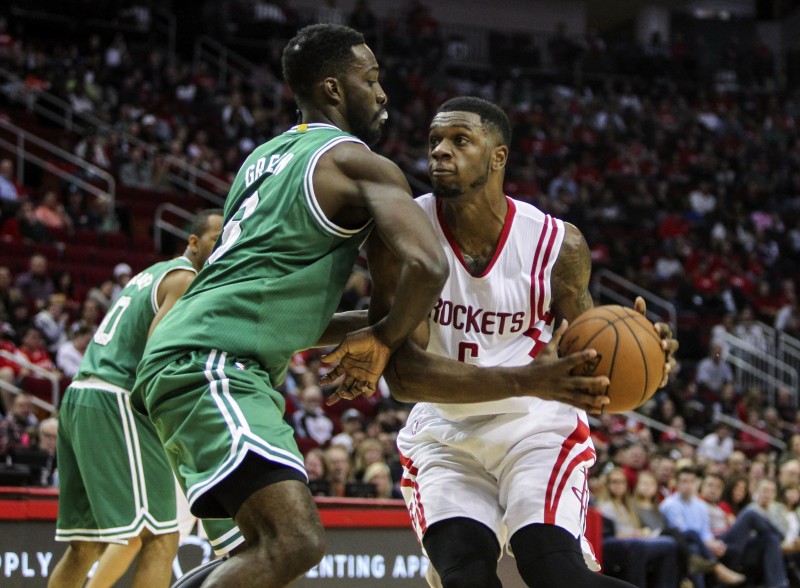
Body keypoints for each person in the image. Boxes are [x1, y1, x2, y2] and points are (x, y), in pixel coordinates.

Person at [132, 24, 448, 588]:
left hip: (194, 357)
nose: (382, 93)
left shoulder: (261, 160)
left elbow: (271, 305)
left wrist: (374, 326)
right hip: (211, 362)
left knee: (255, 553)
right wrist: (382, 339)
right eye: (370, 78)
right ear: (332, 88)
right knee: (294, 541)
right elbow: (429, 265)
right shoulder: (358, 163)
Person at [335, 96, 677, 588]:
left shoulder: (558, 245)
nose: (440, 152)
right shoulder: (401, 234)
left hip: (535, 426)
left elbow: (595, 368)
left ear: (499, 156)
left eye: (460, 140)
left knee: (553, 570)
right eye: (434, 141)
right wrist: (530, 378)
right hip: (445, 432)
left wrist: (647, 357)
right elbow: (406, 379)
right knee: (467, 577)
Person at [48, 210, 239, 588]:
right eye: (216, 237)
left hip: (82, 395)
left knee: (85, 545)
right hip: (117, 399)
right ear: (193, 242)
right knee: (160, 536)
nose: (223, 244)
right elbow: (156, 355)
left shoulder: (151, 273)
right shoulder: (185, 279)